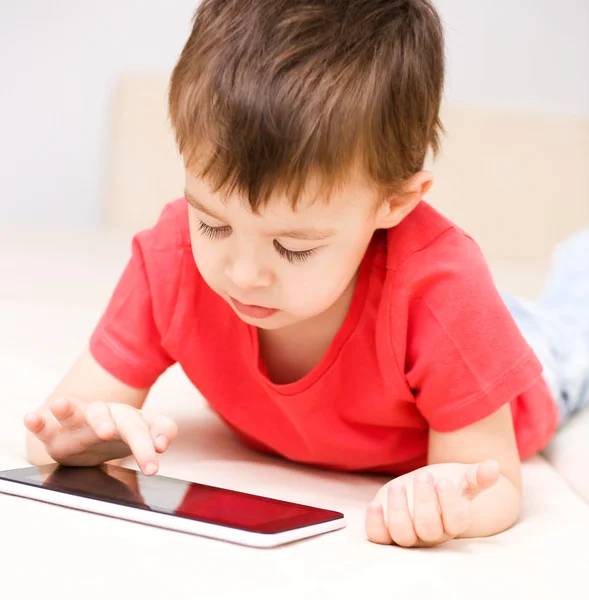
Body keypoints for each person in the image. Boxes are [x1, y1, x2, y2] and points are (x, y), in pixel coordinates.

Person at [23, 0, 589, 548]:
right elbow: (48, 432)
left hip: (521, 358)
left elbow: (496, 485)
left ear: (395, 202)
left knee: (571, 322)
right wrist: (77, 442)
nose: (243, 276)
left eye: (293, 248)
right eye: (213, 225)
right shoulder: (171, 258)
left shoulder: (443, 292)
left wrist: (449, 502)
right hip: (435, 341)